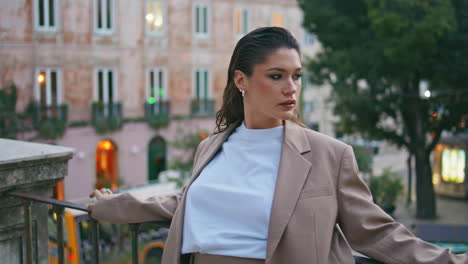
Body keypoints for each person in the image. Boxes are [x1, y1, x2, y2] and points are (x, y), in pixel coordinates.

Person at [89, 27, 468, 264]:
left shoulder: (329, 155)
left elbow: (375, 231)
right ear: (242, 80)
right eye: (277, 76)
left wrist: (451, 261)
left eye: (297, 77)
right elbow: (185, 201)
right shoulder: (212, 147)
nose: (291, 88)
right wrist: (114, 205)